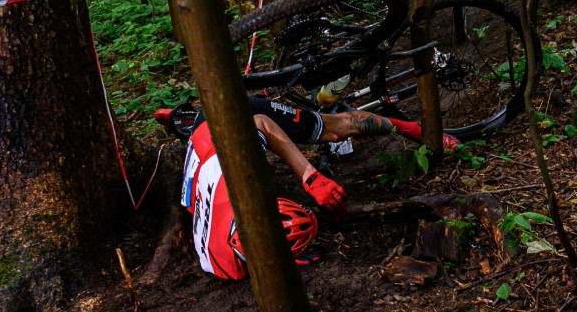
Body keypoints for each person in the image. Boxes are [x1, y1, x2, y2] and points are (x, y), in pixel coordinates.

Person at [155, 97, 459, 280]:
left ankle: (418, 130)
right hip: (202, 148)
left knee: (331, 128)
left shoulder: (240, 165)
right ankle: (184, 121)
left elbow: (260, 122)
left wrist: (310, 176)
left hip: (221, 121)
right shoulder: (221, 264)